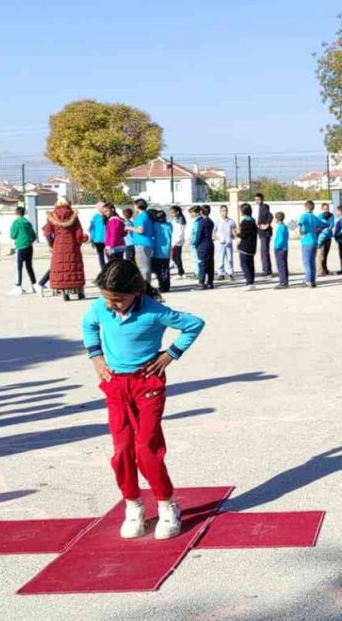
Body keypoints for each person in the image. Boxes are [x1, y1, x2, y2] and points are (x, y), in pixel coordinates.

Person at [82, 259, 205, 541]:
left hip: (147, 384)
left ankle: (166, 504)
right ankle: (133, 505)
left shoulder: (154, 311)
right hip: (115, 386)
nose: (111, 305)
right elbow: (88, 324)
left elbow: (194, 325)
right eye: (107, 299)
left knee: (146, 447)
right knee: (122, 450)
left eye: (117, 300)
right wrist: (96, 357)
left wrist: (170, 354)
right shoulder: (101, 306)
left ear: (136, 291)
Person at [44, 197, 88, 300]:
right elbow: (78, 232)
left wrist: (51, 244)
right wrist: (81, 241)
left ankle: (65, 294)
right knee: (74, 267)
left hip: (58, 244)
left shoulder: (52, 216)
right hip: (72, 244)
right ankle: (79, 293)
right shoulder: (73, 215)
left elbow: (47, 233)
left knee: (62, 268)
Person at [9, 206, 39, 294]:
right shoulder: (28, 222)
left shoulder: (16, 222)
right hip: (29, 247)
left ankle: (18, 286)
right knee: (29, 266)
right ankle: (34, 285)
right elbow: (34, 236)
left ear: (16, 213)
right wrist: (29, 241)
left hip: (20, 246)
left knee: (18, 267)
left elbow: (13, 235)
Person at [127, 199, 155, 288]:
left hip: (142, 244)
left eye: (134, 205)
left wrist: (129, 228)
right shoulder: (146, 215)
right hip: (145, 243)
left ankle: (145, 286)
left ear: (138, 205)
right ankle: (146, 285)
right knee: (144, 265)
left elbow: (140, 230)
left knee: (143, 266)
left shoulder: (141, 216)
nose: (134, 207)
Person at [297, 201, 323, 288]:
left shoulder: (304, 215)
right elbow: (322, 225)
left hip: (306, 242)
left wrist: (300, 231)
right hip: (314, 241)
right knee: (312, 262)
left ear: (305, 207)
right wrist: (317, 230)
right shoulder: (314, 217)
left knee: (307, 262)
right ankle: (313, 280)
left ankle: (308, 281)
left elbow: (300, 223)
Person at [149, 207, 173, 296]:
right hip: (166, 251)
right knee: (165, 269)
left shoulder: (155, 225)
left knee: (158, 270)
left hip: (157, 251)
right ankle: (166, 285)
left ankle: (162, 285)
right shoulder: (169, 225)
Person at [192, 206, 215, 289]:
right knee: (210, 263)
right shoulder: (211, 222)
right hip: (210, 244)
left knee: (202, 264)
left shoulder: (201, 222)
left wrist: (196, 244)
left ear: (201, 211)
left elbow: (199, 235)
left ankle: (201, 282)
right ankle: (210, 282)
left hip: (203, 245)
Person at [237, 203, 258, 291]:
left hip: (245, 247)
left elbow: (243, 235)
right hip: (252, 246)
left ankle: (249, 282)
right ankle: (251, 282)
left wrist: (236, 233)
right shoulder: (253, 221)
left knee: (244, 264)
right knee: (250, 265)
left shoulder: (245, 222)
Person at [214, 205, 237, 282]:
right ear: (220, 212)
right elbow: (213, 233)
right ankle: (221, 274)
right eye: (223, 210)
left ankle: (230, 273)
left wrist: (233, 236)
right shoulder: (217, 221)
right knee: (220, 259)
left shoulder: (231, 221)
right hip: (221, 243)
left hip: (228, 243)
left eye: (226, 210)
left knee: (229, 259)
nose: (225, 212)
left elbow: (234, 230)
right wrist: (218, 239)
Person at [254, 193, 274, 278]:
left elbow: (271, 216)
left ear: (262, 199)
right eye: (255, 200)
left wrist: (267, 225)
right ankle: (267, 270)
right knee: (264, 252)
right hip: (263, 233)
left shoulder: (264, 207)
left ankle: (266, 271)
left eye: (258, 199)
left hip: (265, 233)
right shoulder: (260, 208)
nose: (257, 201)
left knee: (264, 252)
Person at [89, 201, 109, 269]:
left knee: (109, 257)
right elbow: (92, 229)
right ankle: (103, 271)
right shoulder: (95, 217)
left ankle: (110, 271)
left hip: (107, 240)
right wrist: (92, 239)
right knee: (101, 257)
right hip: (98, 240)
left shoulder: (108, 216)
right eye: (99, 207)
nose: (100, 208)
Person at [273, 211, 290, 288]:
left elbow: (280, 239)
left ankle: (283, 282)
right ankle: (285, 281)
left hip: (280, 249)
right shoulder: (285, 226)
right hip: (285, 248)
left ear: (277, 219)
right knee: (284, 265)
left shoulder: (280, 227)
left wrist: (276, 246)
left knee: (281, 266)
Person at [169, 205, 187, 277]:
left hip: (177, 242)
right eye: (171, 212)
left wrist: (176, 241)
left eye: (173, 212)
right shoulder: (175, 220)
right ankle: (181, 271)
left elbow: (180, 232)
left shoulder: (180, 221)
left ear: (177, 212)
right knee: (175, 257)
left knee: (176, 257)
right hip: (175, 241)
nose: (172, 214)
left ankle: (180, 273)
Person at [317, 202, 334, 275]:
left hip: (328, 237)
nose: (326, 210)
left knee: (326, 254)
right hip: (321, 238)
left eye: (327, 208)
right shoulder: (319, 216)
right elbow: (318, 225)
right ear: (322, 209)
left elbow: (332, 225)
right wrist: (323, 228)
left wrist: (327, 228)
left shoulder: (331, 215)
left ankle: (325, 269)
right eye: (324, 209)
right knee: (321, 254)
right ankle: (322, 269)